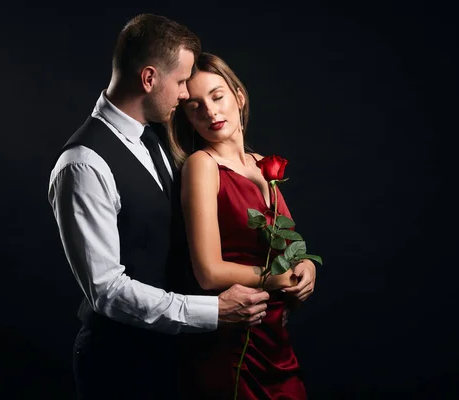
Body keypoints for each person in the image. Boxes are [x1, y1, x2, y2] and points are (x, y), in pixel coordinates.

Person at [47, 14, 271, 399]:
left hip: (179, 356)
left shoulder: (160, 140)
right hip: (120, 366)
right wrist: (211, 312)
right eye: (182, 82)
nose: (186, 95)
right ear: (149, 79)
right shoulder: (84, 163)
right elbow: (106, 290)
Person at [168, 52, 317, 399]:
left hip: (276, 339)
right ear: (187, 118)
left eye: (217, 96)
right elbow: (208, 271)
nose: (210, 112)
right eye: (194, 106)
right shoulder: (202, 165)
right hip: (237, 341)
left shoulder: (264, 164)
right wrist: (281, 278)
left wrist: (306, 266)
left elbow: (281, 246)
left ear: (239, 95)